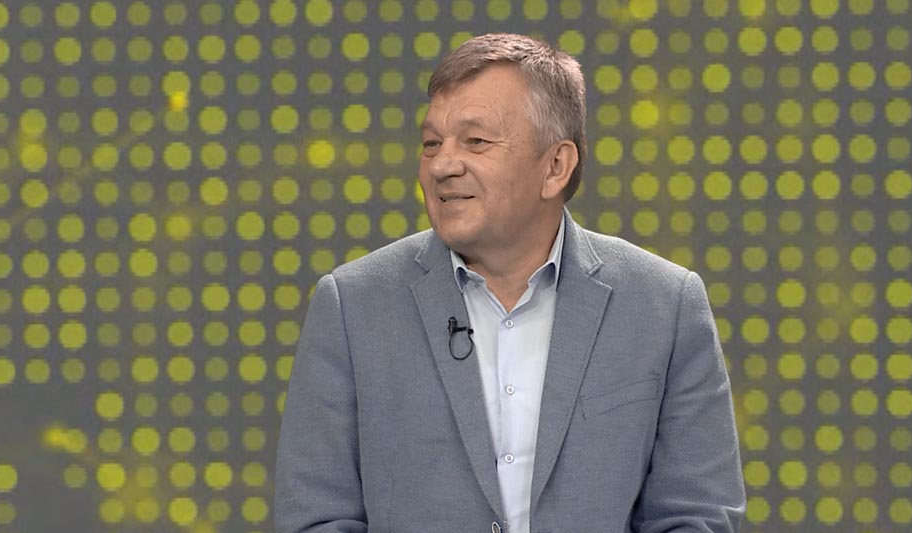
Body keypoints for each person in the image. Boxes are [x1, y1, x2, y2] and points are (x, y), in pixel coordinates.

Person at [274, 33, 745, 532]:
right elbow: (316, 517)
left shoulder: (664, 306)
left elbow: (697, 516)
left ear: (556, 166)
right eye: (431, 143)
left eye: (475, 141)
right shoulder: (352, 307)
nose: (442, 165)